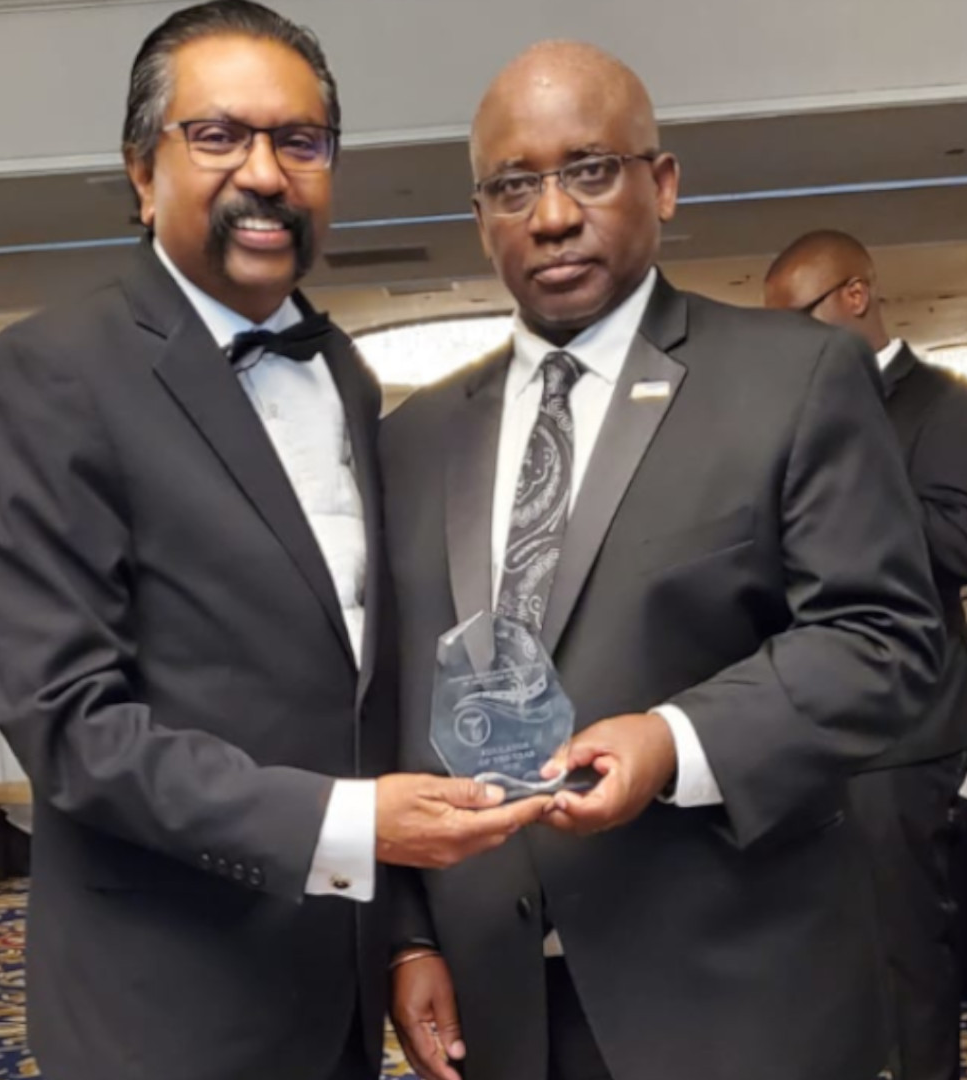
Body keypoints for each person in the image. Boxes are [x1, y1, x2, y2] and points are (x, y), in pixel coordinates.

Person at [0, 5, 544, 1080]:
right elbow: (69, 725)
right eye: (218, 136)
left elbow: (365, 696)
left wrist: (406, 930)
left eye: (300, 141)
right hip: (163, 999)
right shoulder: (49, 377)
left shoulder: (349, 380)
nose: (266, 173)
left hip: (338, 985)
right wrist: (351, 823)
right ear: (141, 173)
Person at [380, 41, 945, 1080]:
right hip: (497, 1005)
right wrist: (410, 936)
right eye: (514, 184)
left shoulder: (794, 377)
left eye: (590, 169)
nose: (552, 214)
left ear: (663, 181)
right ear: (481, 214)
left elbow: (883, 639)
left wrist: (674, 743)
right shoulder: (414, 441)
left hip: (732, 995)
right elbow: (391, 705)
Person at [765, 230, 967, 1080]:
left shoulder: (944, 406)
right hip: (806, 735)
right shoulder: (789, 416)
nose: (791, 350)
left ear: (856, 296)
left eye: (801, 322)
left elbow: (954, 544)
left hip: (903, 740)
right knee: (826, 963)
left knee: (908, 961)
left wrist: (846, 487)